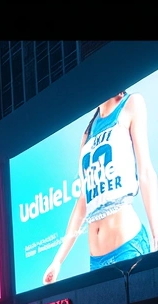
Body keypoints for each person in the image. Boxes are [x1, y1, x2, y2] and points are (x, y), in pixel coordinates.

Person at [42, 91, 157, 287]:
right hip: (95, 260)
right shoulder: (87, 133)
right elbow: (82, 202)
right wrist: (58, 260)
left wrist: (157, 235)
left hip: (128, 246)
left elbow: (145, 171)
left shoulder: (131, 104)